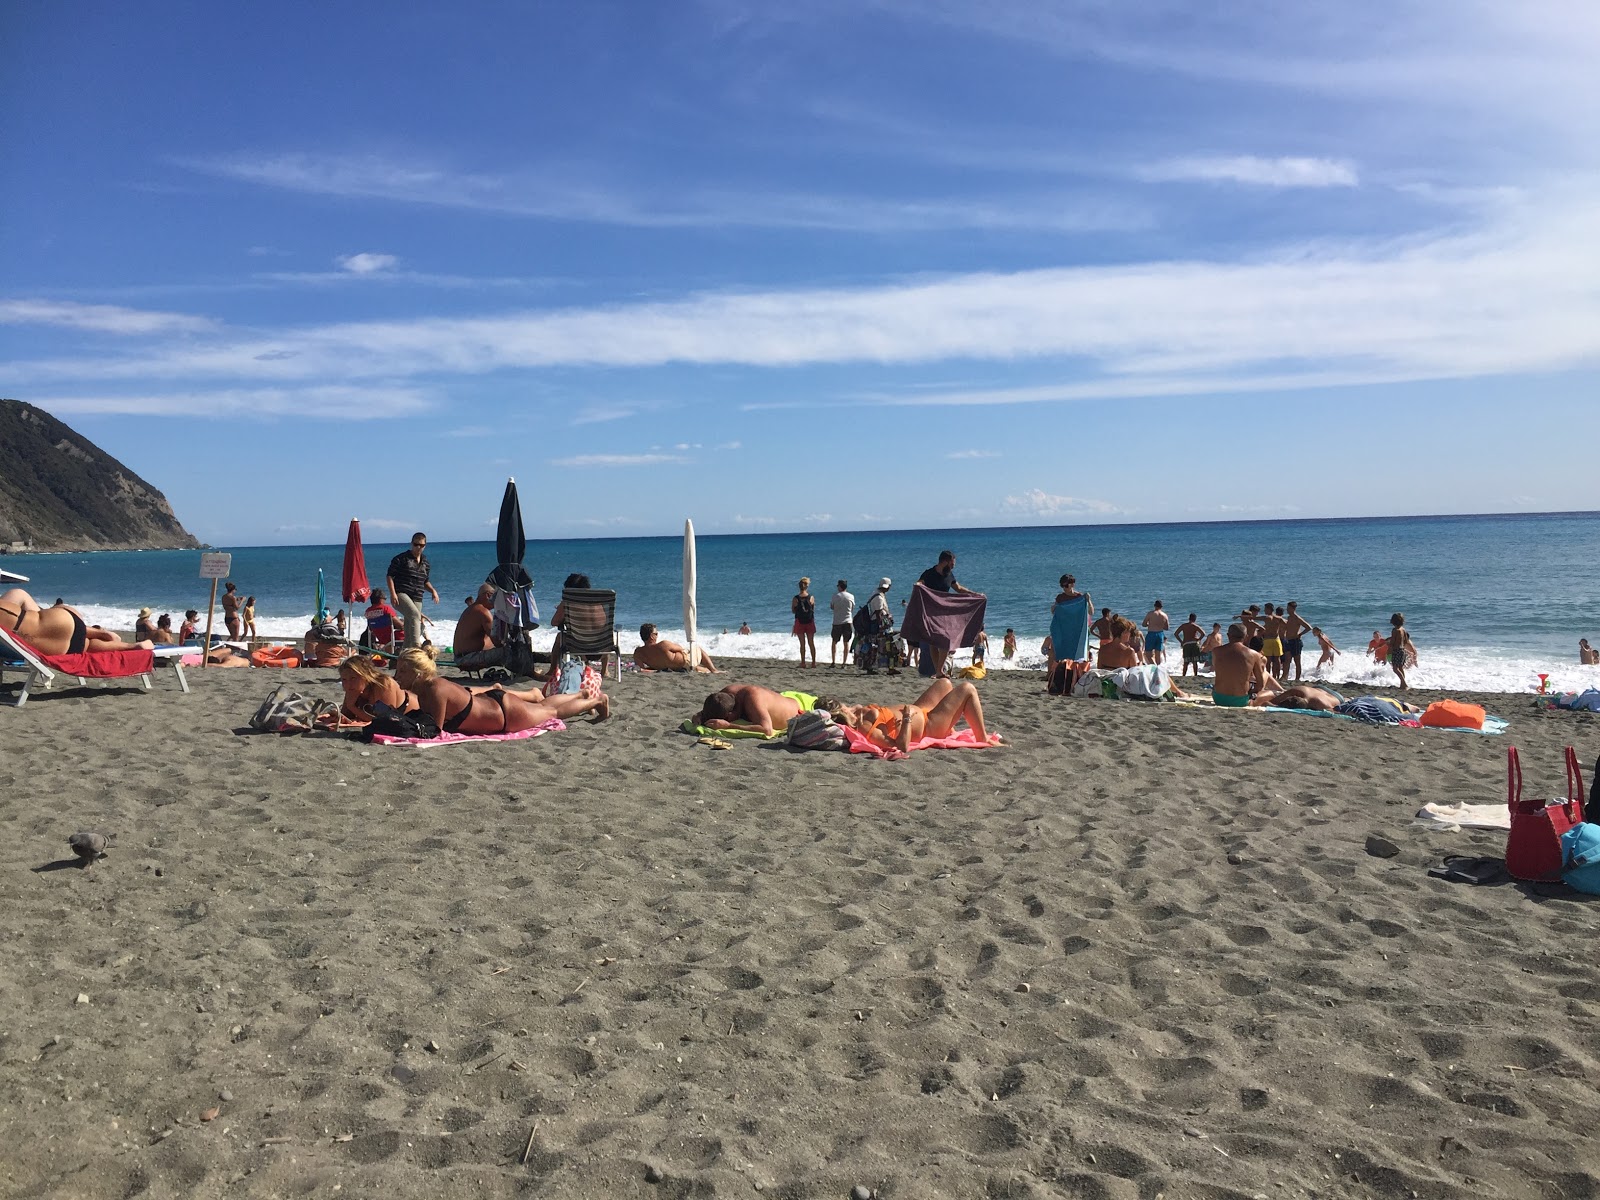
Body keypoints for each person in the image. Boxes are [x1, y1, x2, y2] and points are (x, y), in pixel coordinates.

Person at [396, 646, 608, 734]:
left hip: (506, 715)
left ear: (417, 674)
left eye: (402, 672)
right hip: (495, 704)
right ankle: (579, 695)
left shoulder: (434, 689)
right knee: (544, 705)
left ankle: (596, 701)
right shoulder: (428, 689)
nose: (396, 677)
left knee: (552, 712)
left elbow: (435, 731)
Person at [819, 678, 996, 755]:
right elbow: (901, 746)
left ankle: (950, 727)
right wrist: (906, 719)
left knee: (944, 683)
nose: (851, 707)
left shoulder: (859, 716)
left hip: (921, 710)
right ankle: (982, 738)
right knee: (967, 689)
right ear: (842, 713)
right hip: (930, 725)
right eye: (845, 707)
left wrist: (857, 710)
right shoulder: (865, 729)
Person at [0, 588, 152, 657]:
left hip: (56, 648)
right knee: (21, 595)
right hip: (61, 621)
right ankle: (99, 631)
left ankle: (131, 646)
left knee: (87, 646)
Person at [916, 550, 981, 678]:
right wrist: (917, 585)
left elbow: (959, 589)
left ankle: (939, 670)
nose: (953, 566)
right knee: (932, 643)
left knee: (946, 640)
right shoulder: (929, 573)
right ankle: (938, 671)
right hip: (930, 614)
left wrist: (975, 595)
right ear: (945, 561)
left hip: (944, 614)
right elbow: (920, 583)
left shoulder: (949, 575)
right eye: (952, 563)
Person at [694, 682, 816, 735]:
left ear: (730, 715)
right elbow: (712, 708)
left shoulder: (752, 700)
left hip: (796, 709)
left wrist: (729, 726)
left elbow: (767, 730)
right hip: (778, 700)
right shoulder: (725, 693)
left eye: (729, 719)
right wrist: (699, 716)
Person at [386, 533, 440, 650]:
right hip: (401, 593)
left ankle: (405, 654)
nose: (418, 547)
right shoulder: (401, 559)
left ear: (425, 545)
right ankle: (417, 646)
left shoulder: (425, 562)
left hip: (418, 596)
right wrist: (393, 593)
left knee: (410, 626)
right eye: (416, 544)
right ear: (412, 544)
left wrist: (433, 591)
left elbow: (425, 581)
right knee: (415, 615)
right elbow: (390, 576)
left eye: (421, 545)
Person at [333, 655, 419, 725]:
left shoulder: (383, 684)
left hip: (418, 713)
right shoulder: (353, 688)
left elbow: (385, 719)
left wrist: (352, 706)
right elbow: (346, 715)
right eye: (344, 680)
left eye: (353, 678)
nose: (348, 684)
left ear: (366, 676)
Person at [1211, 623, 1276, 707]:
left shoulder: (1216, 651)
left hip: (1218, 698)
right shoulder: (1254, 654)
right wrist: (1252, 692)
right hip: (1240, 701)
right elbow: (1260, 684)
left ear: (1228, 635)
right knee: (1270, 693)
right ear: (1246, 637)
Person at [634, 623, 718, 673]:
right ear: (651, 636)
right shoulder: (663, 644)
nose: (657, 636)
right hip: (685, 662)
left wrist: (657, 670)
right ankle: (713, 670)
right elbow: (680, 648)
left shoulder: (638, 653)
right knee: (697, 648)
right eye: (656, 634)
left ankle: (707, 671)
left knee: (697, 668)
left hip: (674, 668)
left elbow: (642, 669)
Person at [1251, 682, 1342, 711]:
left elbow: (1270, 703)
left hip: (1337, 698)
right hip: (1319, 689)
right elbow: (1270, 702)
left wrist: (1276, 706)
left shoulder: (1322, 705)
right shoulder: (1298, 691)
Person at [363, 588, 403, 653]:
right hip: (392, 638)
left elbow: (371, 628)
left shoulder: (368, 611)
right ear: (380, 599)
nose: (385, 600)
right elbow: (400, 626)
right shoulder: (385, 609)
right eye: (385, 598)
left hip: (380, 639)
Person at [792, 577, 818, 667]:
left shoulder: (795, 598)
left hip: (799, 622)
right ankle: (813, 662)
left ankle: (803, 662)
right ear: (807, 586)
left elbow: (793, 611)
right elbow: (813, 609)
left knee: (802, 644)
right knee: (811, 642)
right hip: (810, 621)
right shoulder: (811, 597)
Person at [828, 580, 855, 668]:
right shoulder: (851, 596)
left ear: (839, 587)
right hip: (847, 621)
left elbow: (832, 607)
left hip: (837, 622)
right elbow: (852, 608)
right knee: (846, 642)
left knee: (834, 642)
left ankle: (833, 661)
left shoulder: (835, 596)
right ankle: (844, 662)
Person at [1283, 601, 1311, 681]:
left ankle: (1297, 678)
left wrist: (1300, 634)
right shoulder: (1289, 618)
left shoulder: (1297, 618)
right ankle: (1285, 677)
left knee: (1297, 660)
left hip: (1295, 641)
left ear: (1293, 609)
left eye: (1288, 608)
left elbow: (1308, 627)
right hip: (1288, 640)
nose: (1287, 610)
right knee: (1287, 659)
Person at [1388, 613, 1416, 689]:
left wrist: (1389, 652)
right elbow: (1406, 641)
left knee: (1395, 668)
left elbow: (1392, 643)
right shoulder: (1403, 629)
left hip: (1396, 650)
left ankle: (1404, 684)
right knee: (1400, 668)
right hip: (1402, 650)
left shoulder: (1395, 630)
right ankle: (1402, 685)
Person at [1175, 612, 1205, 678]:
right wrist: (1198, 639)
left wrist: (1181, 641)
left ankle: (1183, 675)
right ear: (1195, 619)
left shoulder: (1184, 625)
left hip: (1186, 644)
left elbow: (1176, 634)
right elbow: (1203, 633)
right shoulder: (1195, 626)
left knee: (1186, 662)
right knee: (1194, 661)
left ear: (1189, 618)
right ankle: (1195, 675)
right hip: (1194, 644)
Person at [1260, 606, 1286, 678]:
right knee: (1277, 659)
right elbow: (1287, 624)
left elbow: (1253, 617)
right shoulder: (1278, 618)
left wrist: (1240, 616)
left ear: (1269, 609)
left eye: (1265, 609)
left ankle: (1269, 676)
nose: (1264, 610)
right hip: (1276, 639)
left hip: (1267, 640)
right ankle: (1276, 676)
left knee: (1268, 660)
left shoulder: (1266, 618)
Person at [1141, 601, 1170, 665]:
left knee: (1148, 654)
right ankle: (1158, 669)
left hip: (1151, 633)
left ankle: (1154, 667)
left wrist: (1149, 624)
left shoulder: (1150, 614)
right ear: (1161, 607)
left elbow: (1143, 624)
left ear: (1154, 606)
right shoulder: (1164, 615)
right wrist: (1160, 625)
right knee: (1158, 655)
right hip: (1160, 634)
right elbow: (1167, 628)